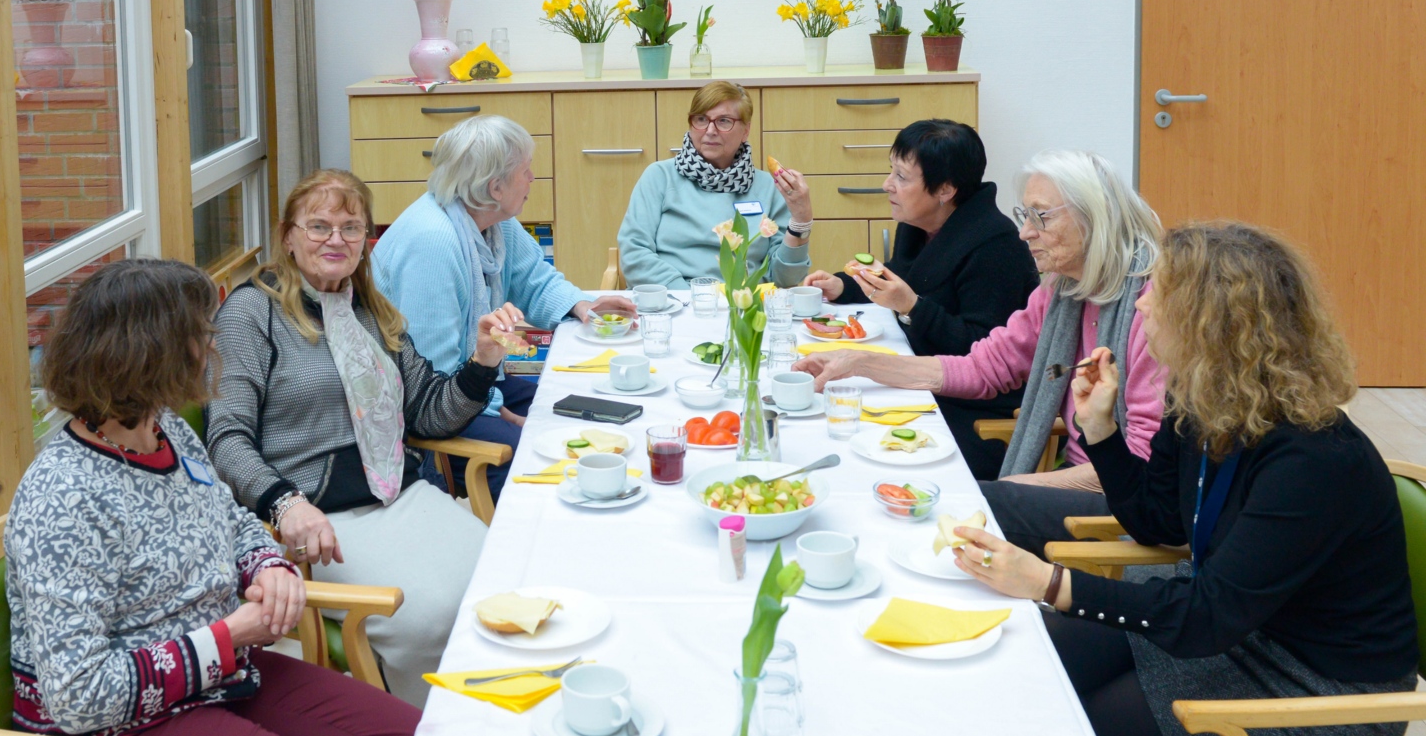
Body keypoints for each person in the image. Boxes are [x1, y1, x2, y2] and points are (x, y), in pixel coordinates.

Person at [6, 258, 417, 736]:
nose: (214, 347)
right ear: (148, 354)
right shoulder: (63, 498)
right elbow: (78, 698)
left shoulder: (170, 434)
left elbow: (227, 520)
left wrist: (268, 567)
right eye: (200, 335)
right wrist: (226, 636)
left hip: (217, 682)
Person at [945, 222, 1418, 736]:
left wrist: (1051, 584)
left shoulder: (1314, 462)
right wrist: (1101, 431)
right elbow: (1158, 519)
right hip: (1236, 630)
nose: (1141, 302)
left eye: (1158, 291)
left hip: (1319, 699)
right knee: (1020, 667)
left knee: (1054, 734)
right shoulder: (1202, 400)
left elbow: (1207, 616)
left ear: (1209, 319)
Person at [209, 168, 521, 708]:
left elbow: (429, 414)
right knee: (427, 617)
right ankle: (423, 735)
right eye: (319, 226)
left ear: (366, 241)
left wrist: (482, 361)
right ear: (288, 236)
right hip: (321, 518)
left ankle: (492, 719)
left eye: (351, 227)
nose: (336, 239)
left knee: (509, 585)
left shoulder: (370, 309)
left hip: (399, 494)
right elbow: (227, 438)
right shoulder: (252, 312)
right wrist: (285, 505)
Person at [794, 150, 1167, 554]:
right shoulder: (1062, 290)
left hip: (1116, 502)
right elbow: (983, 367)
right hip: (1072, 477)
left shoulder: (1150, 308)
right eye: (1025, 215)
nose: (1024, 232)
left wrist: (1007, 488)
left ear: (1095, 218)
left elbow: (1139, 469)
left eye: (1041, 217)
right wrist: (859, 363)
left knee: (943, 505)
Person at [371, 115, 635, 500]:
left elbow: (535, 278)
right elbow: (432, 381)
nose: (532, 179)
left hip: (479, 381)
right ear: (495, 187)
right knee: (547, 466)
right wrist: (500, 412)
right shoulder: (433, 243)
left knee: (587, 409)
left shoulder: (491, 220)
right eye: (526, 171)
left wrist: (584, 305)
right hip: (431, 415)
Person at [799, 119, 1037, 479]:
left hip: (972, 412)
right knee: (829, 415)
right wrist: (842, 285)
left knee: (848, 430)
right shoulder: (919, 221)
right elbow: (901, 275)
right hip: (921, 377)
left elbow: (982, 352)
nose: (887, 185)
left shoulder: (996, 246)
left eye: (901, 176)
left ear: (945, 189)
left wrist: (913, 308)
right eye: (890, 171)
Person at [617, 80, 815, 289]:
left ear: (746, 130)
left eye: (723, 121)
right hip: (674, 302)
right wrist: (694, 299)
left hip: (743, 306)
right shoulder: (659, 176)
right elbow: (634, 254)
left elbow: (785, 278)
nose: (710, 130)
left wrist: (801, 221)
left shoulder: (768, 187)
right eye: (701, 119)